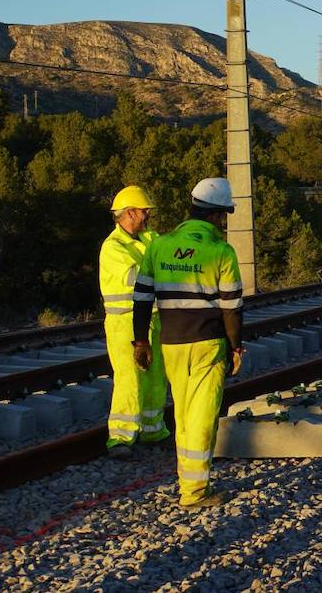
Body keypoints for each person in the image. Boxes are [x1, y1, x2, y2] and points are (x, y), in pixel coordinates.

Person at [132, 177, 244, 509]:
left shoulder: (159, 246)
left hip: (171, 343)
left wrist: (140, 341)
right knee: (202, 416)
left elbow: (141, 300)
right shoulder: (221, 251)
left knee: (183, 412)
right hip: (208, 344)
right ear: (219, 215)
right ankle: (195, 492)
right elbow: (232, 307)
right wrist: (236, 346)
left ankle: (188, 480)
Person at [98, 186, 169, 458]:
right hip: (124, 323)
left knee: (155, 378)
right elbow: (138, 276)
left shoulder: (150, 238)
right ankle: (120, 438)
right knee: (129, 379)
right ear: (129, 213)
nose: (147, 215)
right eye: (143, 211)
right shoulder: (113, 247)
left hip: (153, 319)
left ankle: (153, 431)